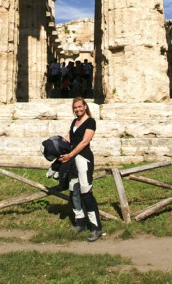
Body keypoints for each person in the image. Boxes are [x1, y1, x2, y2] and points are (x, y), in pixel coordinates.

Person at [58, 97, 103, 241]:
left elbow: (84, 142)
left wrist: (70, 154)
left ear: (85, 106)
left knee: (86, 192)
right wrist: (55, 145)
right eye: (75, 108)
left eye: (79, 107)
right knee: (73, 191)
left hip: (84, 159)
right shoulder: (74, 122)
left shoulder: (91, 121)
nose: (77, 109)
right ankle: (80, 221)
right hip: (72, 161)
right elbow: (69, 138)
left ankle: (95, 227)